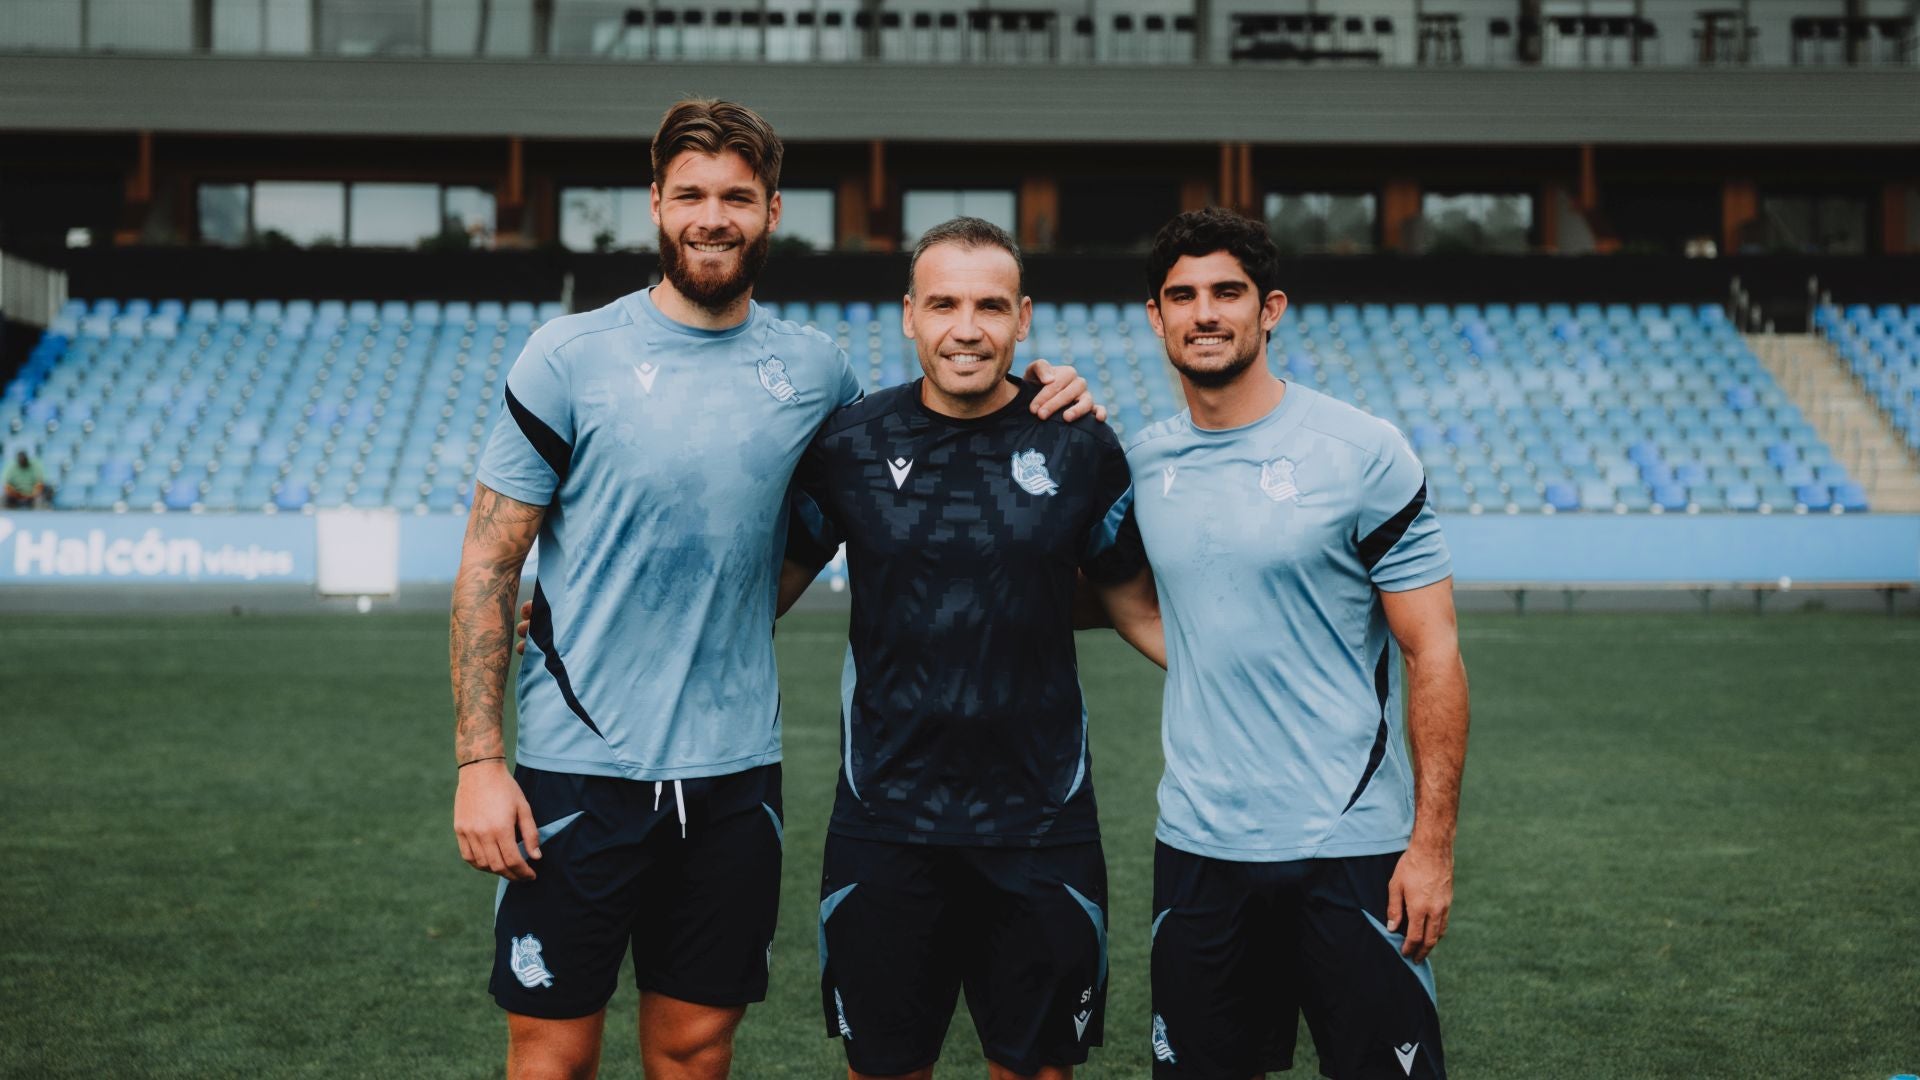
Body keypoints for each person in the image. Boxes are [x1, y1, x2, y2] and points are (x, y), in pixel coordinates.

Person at [448, 100, 1097, 1080]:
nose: (715, 216)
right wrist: (479, 760)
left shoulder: (815, 374)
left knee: (698, 1049)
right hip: (575, 771)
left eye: (737, 198)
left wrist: (1049, 393)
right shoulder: (566, 357)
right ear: (656, 205)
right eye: (693, 195)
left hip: (731, 777)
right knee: (551, 1058)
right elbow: (491, 563)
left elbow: (926, 442)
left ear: (772, 211)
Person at [782, 217, 1161, 1080]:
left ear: (1023, 318)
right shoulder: (850, 446)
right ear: (909, 315)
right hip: (885, 819)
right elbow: (758, 590)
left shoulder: (1079, 443)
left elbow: (1135, 605)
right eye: (944, 303)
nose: (967, 327)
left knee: (1035, 1070)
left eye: (990, 305)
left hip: (1040, 820)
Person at [1115, 209, 1470, 1079]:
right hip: (1200, 848)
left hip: (1350, 848)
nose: (1205, 313)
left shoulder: (1362, 454)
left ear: (1269, 308)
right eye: (1182, 296)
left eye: (1227, 292)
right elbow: (1123, 594)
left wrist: (1430, 849)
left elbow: (1435, 653)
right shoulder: (1142, 461)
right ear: (1156, 318)